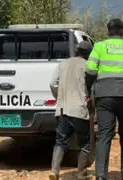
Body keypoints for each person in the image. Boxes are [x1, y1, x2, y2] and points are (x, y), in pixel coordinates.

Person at [85, 18, 123, 180]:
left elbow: (90, 71)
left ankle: (100, 176)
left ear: (108, 31)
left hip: (104, 96)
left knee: (104, 135)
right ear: (122, 31)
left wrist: (90, 90)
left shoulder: (99, 47)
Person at [49, 41, 93, 180]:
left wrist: (59, 97)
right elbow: (91, 87)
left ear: (76, 51)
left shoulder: (63, 64)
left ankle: (54, 171)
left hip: (62, 109)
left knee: (60, 141)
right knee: (85, 143)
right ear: (88, 54)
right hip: (79, 109)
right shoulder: (87, 66)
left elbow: (52, 83)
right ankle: (81, 174)